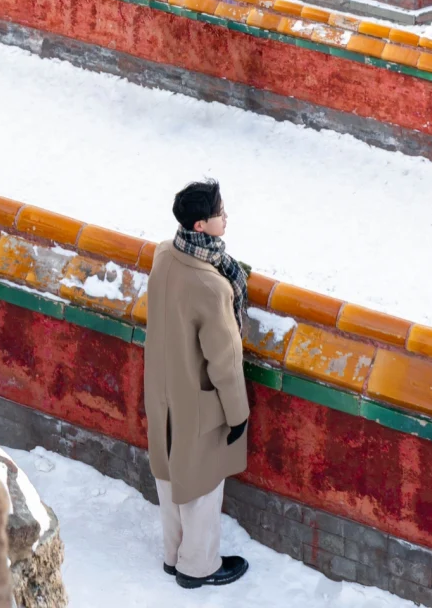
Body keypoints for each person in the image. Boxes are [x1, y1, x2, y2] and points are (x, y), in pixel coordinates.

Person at [144, 178, 250, 589]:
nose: (226, 217)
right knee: (202, 489)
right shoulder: (210, 285)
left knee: (169, 477)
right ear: (202, 226)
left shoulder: (164, 256)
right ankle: (197, 567)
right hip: (197, 400)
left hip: (162, 393)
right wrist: (238, 414)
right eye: (220, 212)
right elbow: (225, 362)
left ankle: (173, 557)